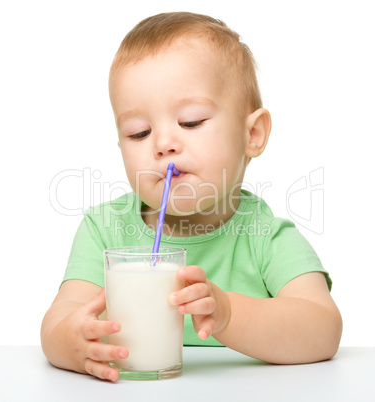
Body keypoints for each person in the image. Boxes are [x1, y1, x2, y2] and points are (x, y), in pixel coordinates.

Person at [41, 11, 342, 382]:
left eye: (191, 121)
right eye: (139, 132)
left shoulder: (266, 236)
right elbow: (59, 320)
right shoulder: (106, 230)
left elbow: (324, 329)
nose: (164, 143)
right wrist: (71, 343)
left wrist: (229, 313)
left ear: (253, 135)